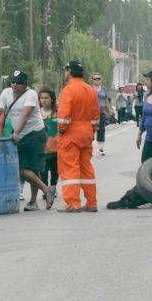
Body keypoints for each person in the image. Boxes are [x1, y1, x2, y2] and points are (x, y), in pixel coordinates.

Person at [108, 70, 152, 209]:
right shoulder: (148, 97)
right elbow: (145, 117)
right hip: (151, 138)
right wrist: (140, 133)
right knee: (146, 165)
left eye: (148, 79)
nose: (146, 82)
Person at [0, 71, 56, 211]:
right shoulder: (6, 93)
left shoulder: (30, 94)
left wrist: (16, 133)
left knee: (34, 167)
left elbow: (25, 115)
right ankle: (47, 189)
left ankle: (33, 202)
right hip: (20, 136)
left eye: (18, 83)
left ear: (25, 84)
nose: (14, 85)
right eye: (12, 81)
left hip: (35, 133)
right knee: (18, 167)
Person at [55, 61, 100, 213]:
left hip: (70, 134)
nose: (64, 73)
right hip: (86, 132)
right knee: (86, 168)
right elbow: (96, 115)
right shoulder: (90, 89)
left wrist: (61, 130)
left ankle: (73, 203)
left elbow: (64, 117)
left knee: (70, 168)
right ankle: (92, 202)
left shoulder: (69, 90)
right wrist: (92, 129)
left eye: (65, 70)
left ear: (69, 72)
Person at [39, 86, 59, 188]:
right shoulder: (37, 113)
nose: (44, 100)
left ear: (52, 99)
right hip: (42, 149)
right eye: (42, 98)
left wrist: (58, 138)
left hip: (56, 149)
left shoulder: (57, 112)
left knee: (55, 171)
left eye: (46, 98)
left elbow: (61, 128)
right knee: (43, 171)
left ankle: (53, 187)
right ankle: (45, 190)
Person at [91, 72, 107, 155]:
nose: (97, 80)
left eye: (98, 78)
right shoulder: (89, 88)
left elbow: (106, 100)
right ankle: (89, 148)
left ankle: (101, 149)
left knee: (101, 130)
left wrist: (109, 110)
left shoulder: (104, 89)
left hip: (102, 112)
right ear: (92, 80)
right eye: (95, 78)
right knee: (91, 131)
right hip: (91, 113)